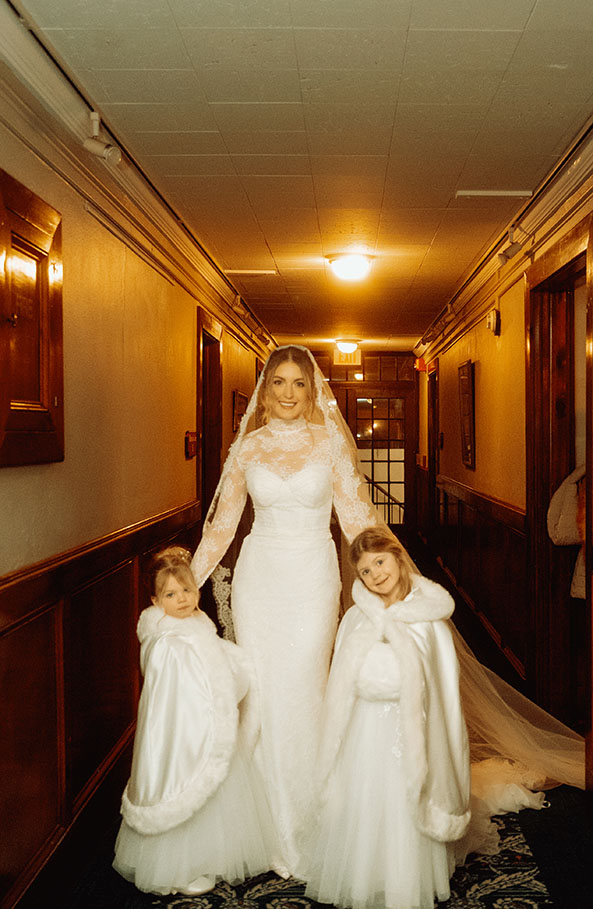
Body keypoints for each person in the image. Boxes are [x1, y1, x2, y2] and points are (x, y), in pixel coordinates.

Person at [191, 345, 381, 875]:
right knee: (263, 694)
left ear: (313, 389)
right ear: (265, 389)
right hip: (259, 580)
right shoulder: (248, 449)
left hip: (313, 578)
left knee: (302, 686)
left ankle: (310, 819)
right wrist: (186, 583)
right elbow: (223, 525)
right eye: (279, 383)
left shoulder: (330, 445)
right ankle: (259, 825)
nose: (290, 393)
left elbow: (355, 514)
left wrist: (387, 576)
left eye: (299, 383)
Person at [303, 526, 471, 909]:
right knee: (367, 793)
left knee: (405, 794)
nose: (376, 574)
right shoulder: (356, 619)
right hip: (365, 728)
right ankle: (367, 869)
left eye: (380, 562)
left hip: (410, 730)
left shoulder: (430, 621)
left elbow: (443, 694)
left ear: (397, 556)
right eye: (365, 571)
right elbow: (340, 686)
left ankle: (407, 874)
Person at [113, 546, 275, 896]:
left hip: (206, 726)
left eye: (187, 590)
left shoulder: (195, 626)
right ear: (156, 600)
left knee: (214, 791)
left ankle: (208, 853)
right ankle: (176, 864)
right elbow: (177, 697)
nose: (182, 599)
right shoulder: (169, 643)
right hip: (182, 737)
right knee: (183, 787)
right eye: (171, 594)